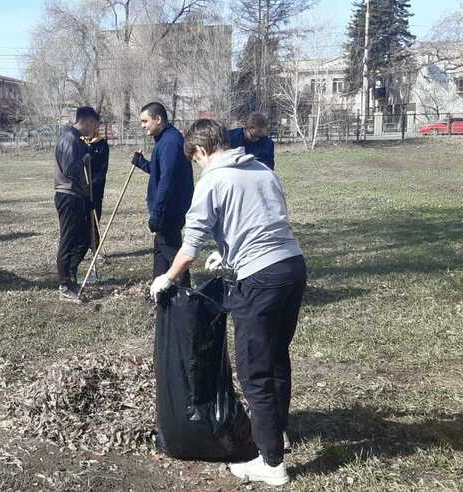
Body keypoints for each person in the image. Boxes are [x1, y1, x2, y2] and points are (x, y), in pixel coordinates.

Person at [150, 119, 306, 487]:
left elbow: (189, 247)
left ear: (201, 151)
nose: (198, 166)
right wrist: (231, 255)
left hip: (260, 279)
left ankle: (271, 464)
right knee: (276, 356)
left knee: (254, 371)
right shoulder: (262, 169)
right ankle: (277, 433)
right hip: (292, 266)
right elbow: (268, 220)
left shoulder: (213, 180)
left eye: (196, 160)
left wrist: (166, 278)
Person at [131, 102, 195, 288]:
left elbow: (167, 179)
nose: (143, 125)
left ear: (158, 119)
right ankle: (158, 291)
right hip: (168, 207)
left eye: (145, 121)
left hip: (170, 209)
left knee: (173, 252)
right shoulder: (166, 139)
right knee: (160, 250)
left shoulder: (170, 142)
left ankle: (184, 295)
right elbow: (160, 171)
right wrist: (141, 163)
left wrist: (158, 213)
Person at [54, 106, 100, 302]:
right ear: (87, 121)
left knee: (83, 238)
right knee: (68, 240)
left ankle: (71, 277)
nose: (94, 131)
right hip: (68, 195)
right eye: (94, 126)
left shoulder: (75, 139)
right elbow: (69, 169)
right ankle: (65, 286)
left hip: (76, 195)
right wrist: (85, 158)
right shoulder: (70, 139)